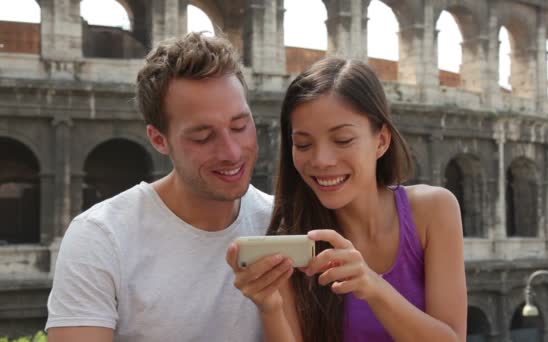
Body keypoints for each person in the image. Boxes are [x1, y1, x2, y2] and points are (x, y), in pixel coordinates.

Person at [45, 32, 278, 342]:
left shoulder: (281, 222)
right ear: (158, 139)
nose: (232, 152)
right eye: (202, 136)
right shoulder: (101, 237)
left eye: (240, 125)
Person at [227, 58, 467, 341]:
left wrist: (373, 287)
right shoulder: (293, 240)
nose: (321, 160)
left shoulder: (434, 210)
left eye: (342, 140)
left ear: (381, 141)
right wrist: (269, 307)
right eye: (303, 144)